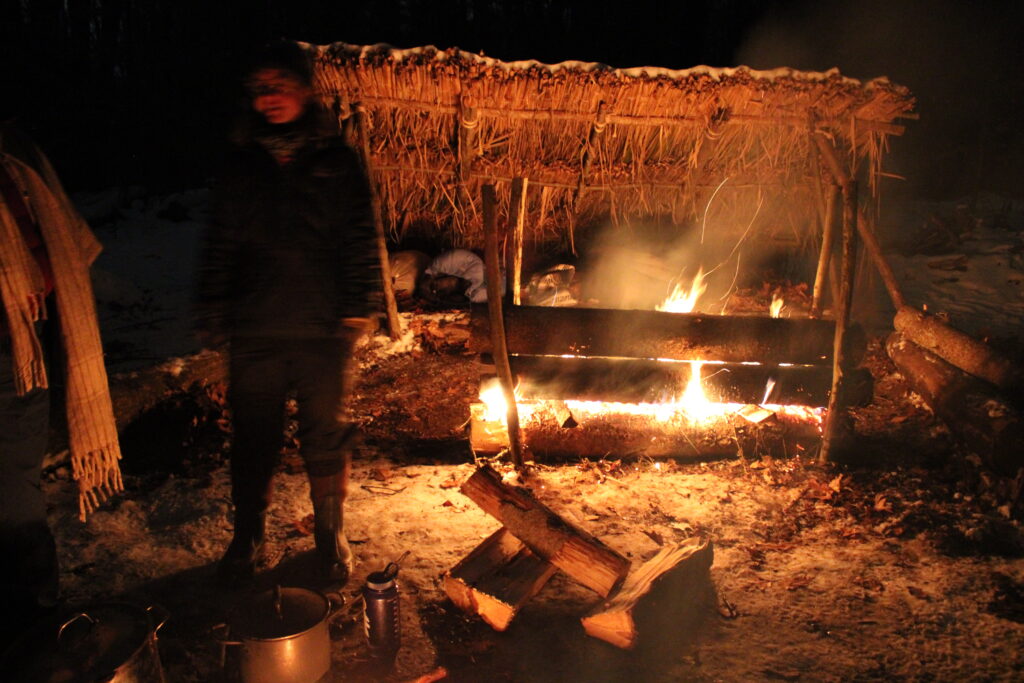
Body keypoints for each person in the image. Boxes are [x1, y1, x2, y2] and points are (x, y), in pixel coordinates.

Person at [196, 40, 380, 587]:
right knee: (254, 435)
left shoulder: (335, 160)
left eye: (280, 86)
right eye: (260, 90)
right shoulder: (241, 162)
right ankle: (247, 534)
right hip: (255, 325)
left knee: (324, 433)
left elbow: (359, 237)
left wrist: (357, 305)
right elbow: (221, 241)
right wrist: (213, 304)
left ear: (304, 90)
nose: (270, 98)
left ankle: (329, 532)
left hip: (322, 326)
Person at [0, 123, 123, 636]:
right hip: (14, 339)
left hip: (24, 343)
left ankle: (33, 614)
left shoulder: (15, 151)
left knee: (15, 481)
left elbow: (64, 236)